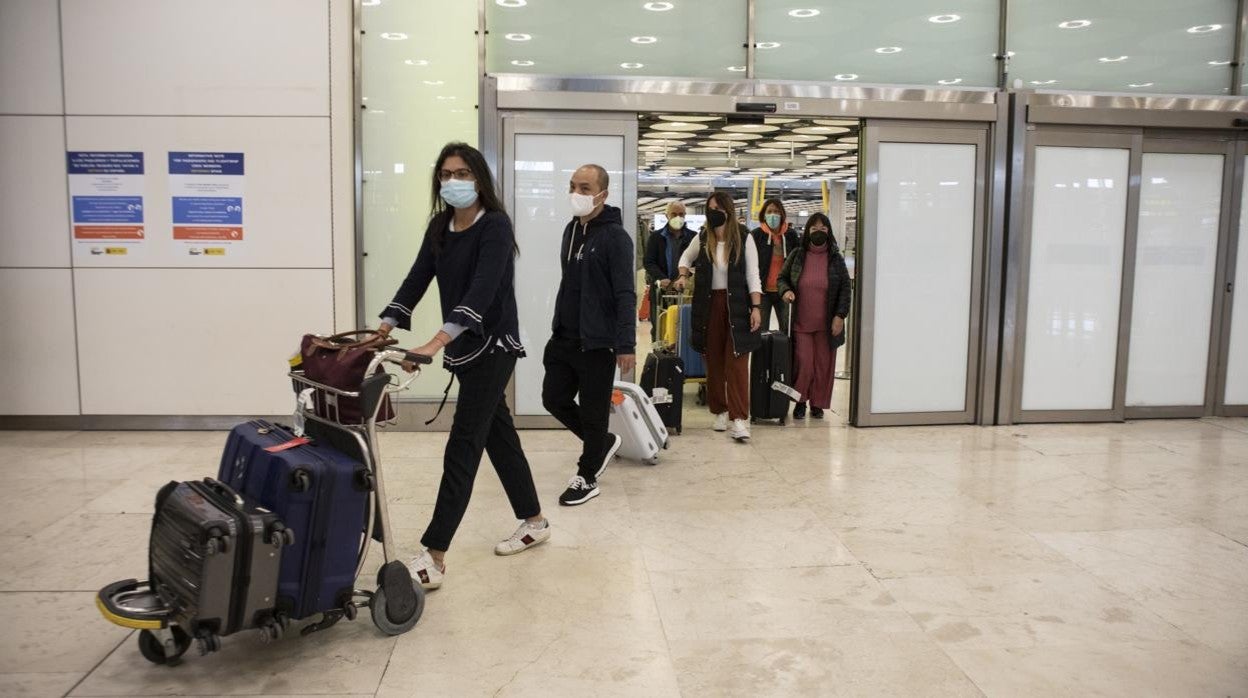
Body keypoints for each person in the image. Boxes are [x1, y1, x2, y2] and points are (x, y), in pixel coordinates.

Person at [378, 142, 547, 590]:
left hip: (493, 345)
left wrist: (435, 341)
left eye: (462, 173)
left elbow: (482, 290)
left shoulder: (495, 226)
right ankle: (535, 520)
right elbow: (417, 277)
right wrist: (384, 326)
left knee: (464, 444)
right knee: (499, 435)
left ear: (479, 179)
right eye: (446, 174)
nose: (453, 181)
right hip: (462, 345)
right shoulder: (440, 225)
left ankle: (435, 554)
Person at [542, 163, 636, 506]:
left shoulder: (615, 238)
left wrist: (626, 344)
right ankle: (602, 443)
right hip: (564, 337)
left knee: (594, 410)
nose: (576, 194)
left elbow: (626, 293)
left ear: (602, 194)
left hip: (597, 343)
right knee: (553, 398)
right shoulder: (571, 230)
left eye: (584, 188)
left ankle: (587, 475)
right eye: (572, 186)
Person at [674, 192, 762, 441]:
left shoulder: (744, 237)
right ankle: (720, 411)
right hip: (709, 305)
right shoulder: (703, 237)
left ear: (728, 210)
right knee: (713, 361)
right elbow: (685, 258)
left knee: (736, 363)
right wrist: (683, 274)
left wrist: (756, 307)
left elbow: (753, 275)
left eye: (718, 208)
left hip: (736, 305)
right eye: (709, 208)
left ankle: (739, 418)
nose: (713, 212)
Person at [777, 213, 851, 420]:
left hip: (828, 325)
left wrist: (840, 316)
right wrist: (785, 291)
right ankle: (800, 401)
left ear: (829, 231)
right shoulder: (797, 255)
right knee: (804, 364)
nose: (819, 232)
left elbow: (845, 289)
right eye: (814, 228)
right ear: (807, 231)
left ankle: (817, 404)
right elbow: (782, 278)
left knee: (823, 366)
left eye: (823, 228)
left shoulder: (835, 259)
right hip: (801, 323)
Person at [643, 201, 697, 340]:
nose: (677, 217)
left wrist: (687, 277)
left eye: (681, 214)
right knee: (660, 326)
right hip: (662, 290)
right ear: (667, 215)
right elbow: (649, 262)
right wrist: (661, 278)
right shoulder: (656, 237)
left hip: (687, 291)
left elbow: (698, 262)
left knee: (684, 326)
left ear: (685, 216)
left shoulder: (694, 237)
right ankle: (660, 357)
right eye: (674, 214)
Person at [751, 197, 800, 333]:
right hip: (762, 293)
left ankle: (784, 354)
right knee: (761, 332)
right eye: (770, 211)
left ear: (782, 214)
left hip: (785, 292)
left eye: (777, 212)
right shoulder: (756, 235)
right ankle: (762, 355)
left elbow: (798, 261)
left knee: (787, 330)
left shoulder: (791, 235)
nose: (773, 215)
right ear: (764, 214)